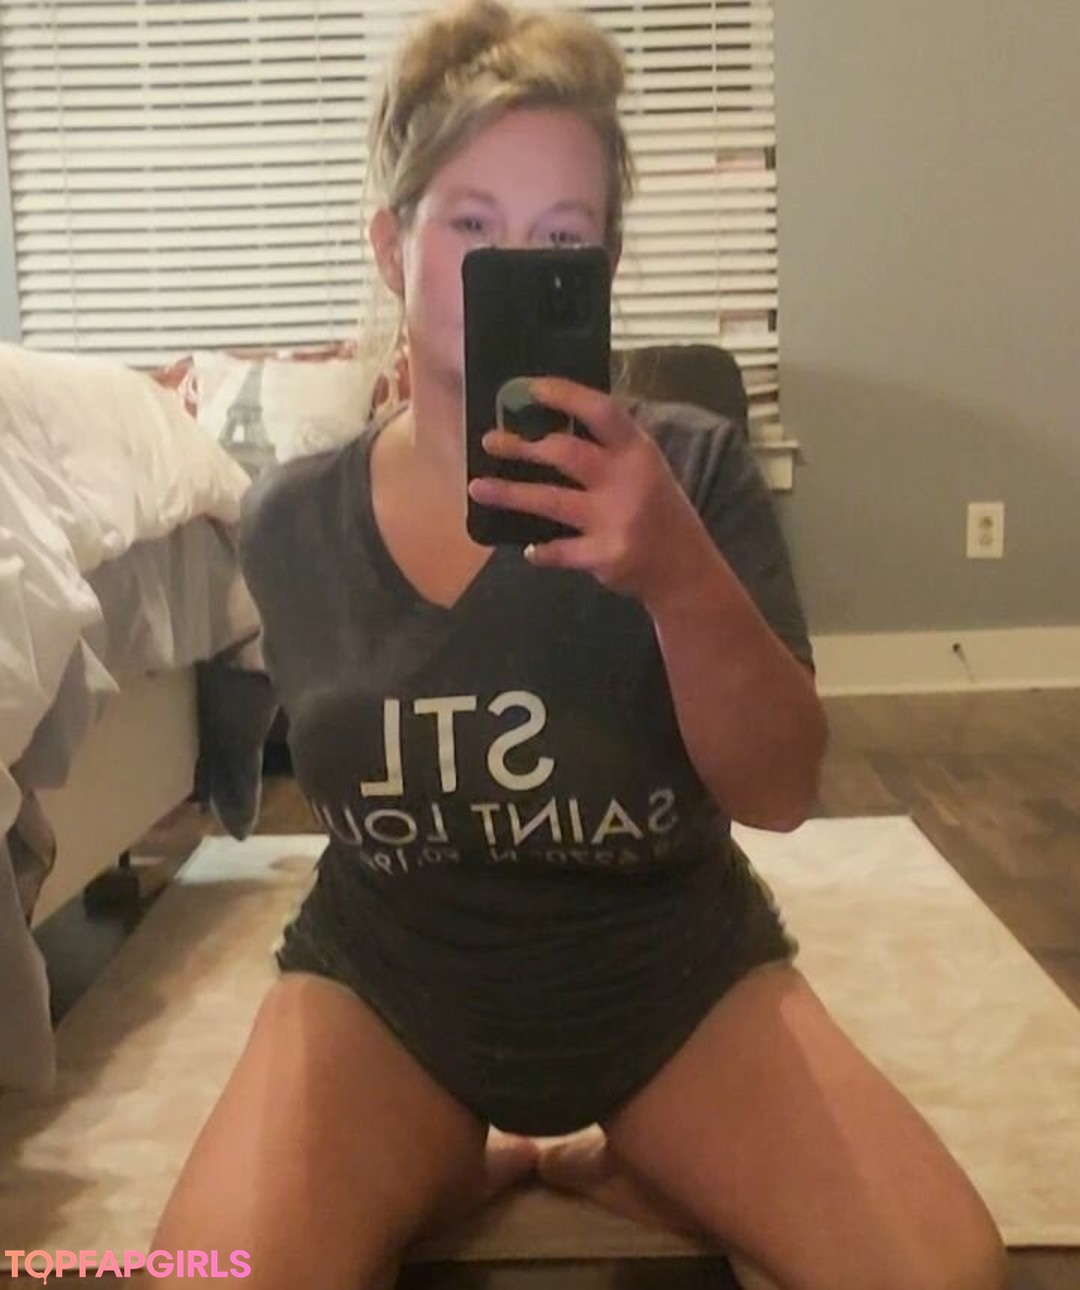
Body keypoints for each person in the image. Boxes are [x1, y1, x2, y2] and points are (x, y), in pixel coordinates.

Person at [149, 3, 1008, 1287]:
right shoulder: (292, 519)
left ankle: (623, 1156)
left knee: (947, 1275)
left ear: (604, 264)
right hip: (390, 983)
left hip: (669, 977)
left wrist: (678, 574)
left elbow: (779, 791)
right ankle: (449, 1161)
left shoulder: (693, 471)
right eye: (471, 225)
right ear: (392, 245)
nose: (514, 263)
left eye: (562, 238)